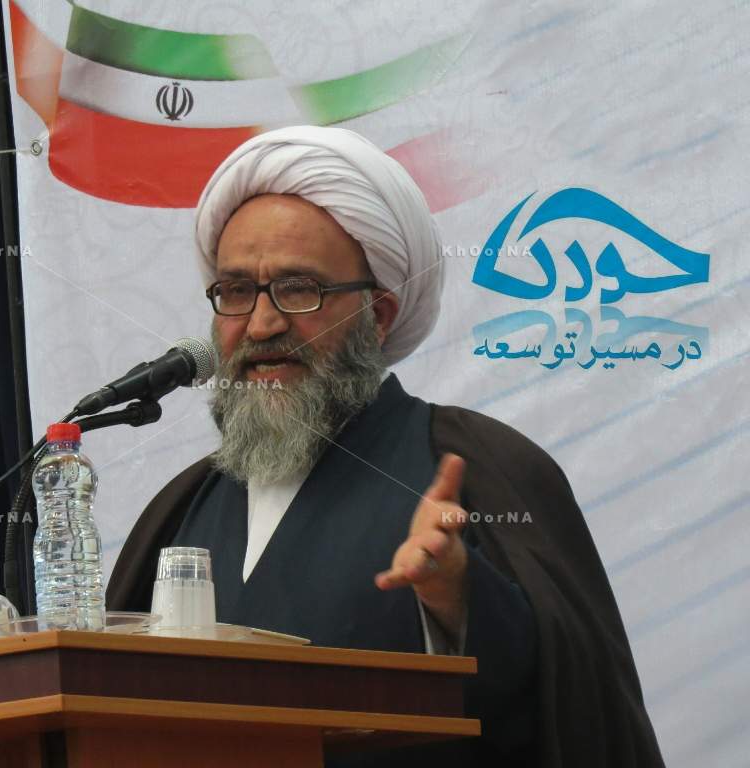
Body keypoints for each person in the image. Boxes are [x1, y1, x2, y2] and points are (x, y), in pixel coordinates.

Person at [106, 126, 663, 767]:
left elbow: (574, 709)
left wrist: (459, 599)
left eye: (299, 288)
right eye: (236, 291)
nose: (261, 323)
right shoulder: (181, 508)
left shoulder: (483, 468)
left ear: (377, 316)